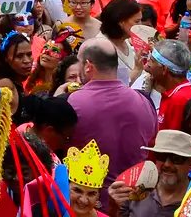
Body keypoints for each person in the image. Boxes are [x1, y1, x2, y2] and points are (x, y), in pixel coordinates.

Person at [68, 38, 158, 187]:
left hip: (88, 195)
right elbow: (152, 144)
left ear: (88, 66)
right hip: (133, 193)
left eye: (79, 62)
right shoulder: (144, 102)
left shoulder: (74, 101)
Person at [106, 130, 191, 217]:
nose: (167, 164)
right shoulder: (136, 189)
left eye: (176, 159)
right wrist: (114, 204)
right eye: (161, 156)